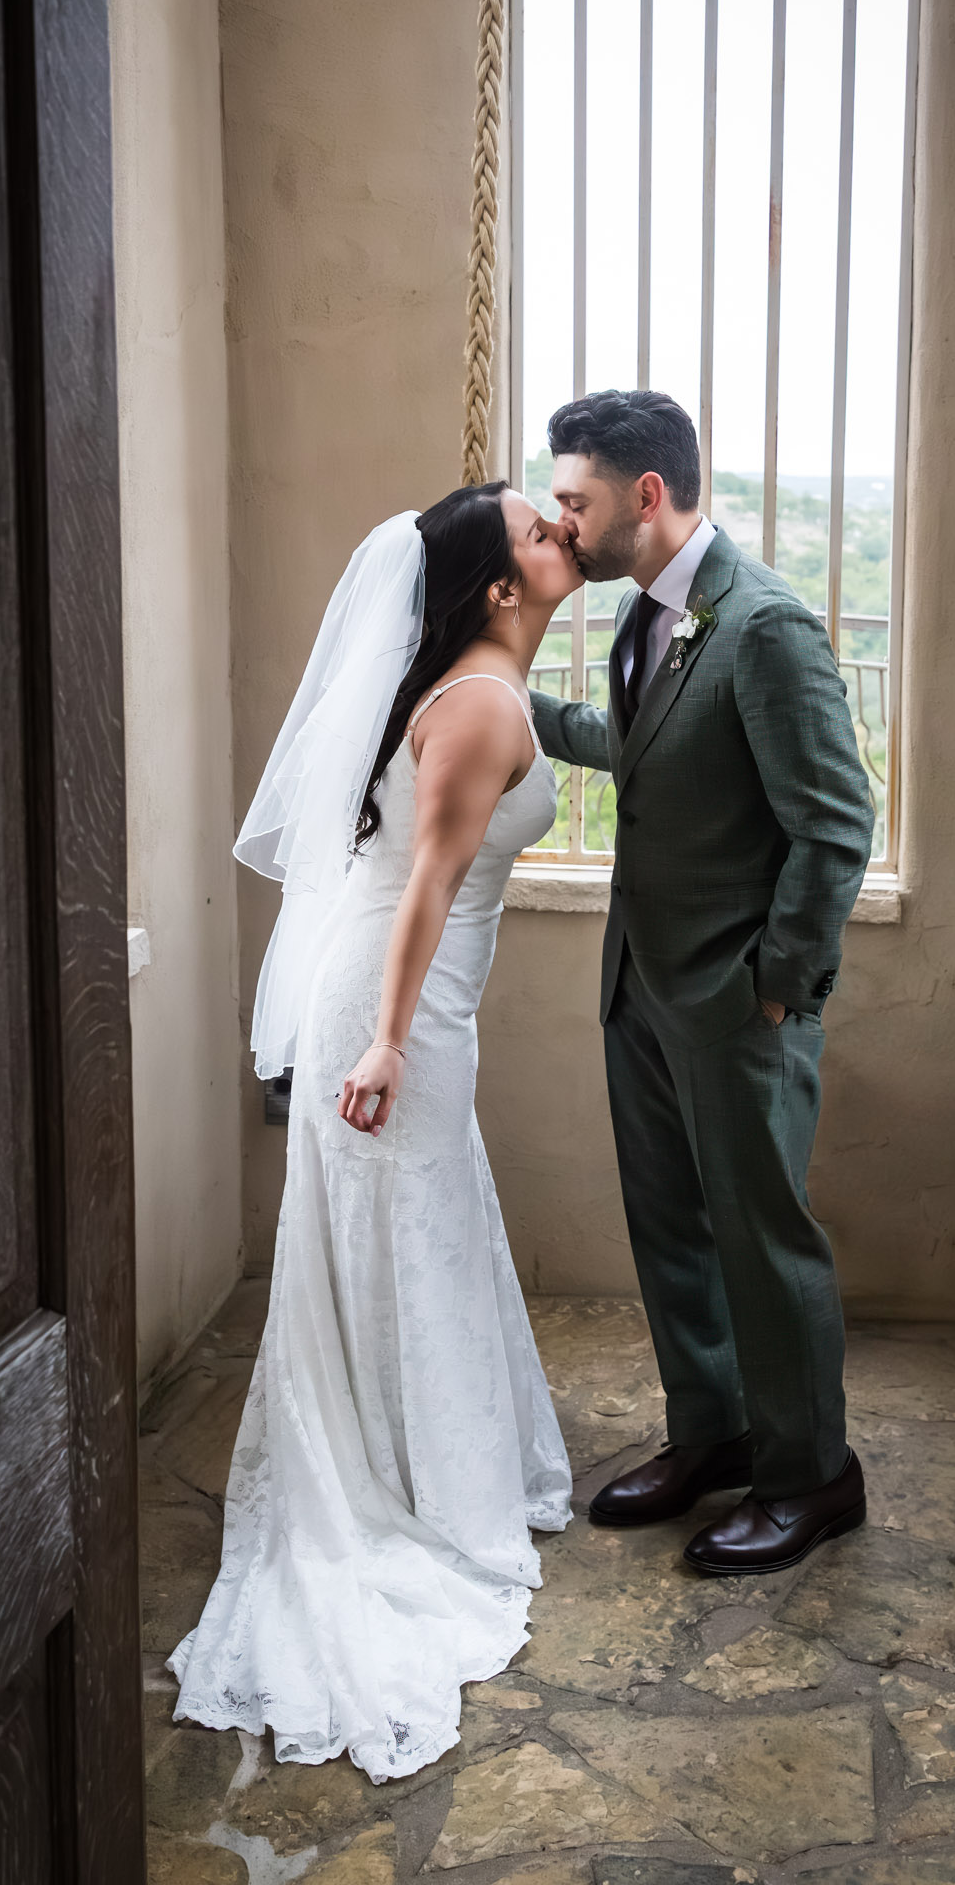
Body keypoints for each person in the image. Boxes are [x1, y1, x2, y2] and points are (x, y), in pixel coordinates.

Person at [169, 486, 579, 1782]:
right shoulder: (480, 705)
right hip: (399, 1000)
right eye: (532, 528)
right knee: (405, 1225)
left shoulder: (478, 687)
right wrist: (389, 1043)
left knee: (424, 1224)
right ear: (497, 587)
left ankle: (428, 1462)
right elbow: (427, 897)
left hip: (412, 995)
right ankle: (398, 1494)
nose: (557, 532)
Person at [531, 389, 875, 1576]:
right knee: (672, 1231)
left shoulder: (763, 625)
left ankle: (810, 1472)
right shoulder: (649, 615)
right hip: (641, 987)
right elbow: (642, 746)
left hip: (735, 1003)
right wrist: (502, 704)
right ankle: (714, 1431)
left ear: (645, 495)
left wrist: (775, 984)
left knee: (761, 1240)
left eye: (573, 500)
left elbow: (835, 824)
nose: (560, 522)